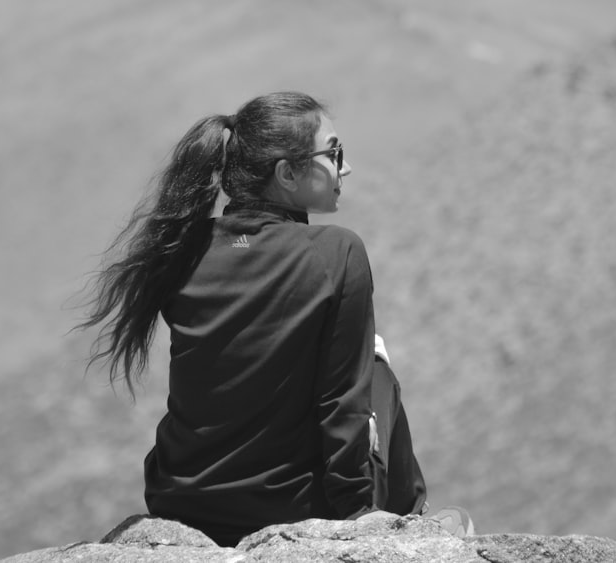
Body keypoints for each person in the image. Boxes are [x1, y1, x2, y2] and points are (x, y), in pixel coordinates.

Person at [78, 91, 437, 547]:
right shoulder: (337, 252)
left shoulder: (182, 251)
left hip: (180, 500)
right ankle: (417, 521)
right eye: (334, 153)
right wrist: (360, 521)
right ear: (287, 173)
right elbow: (340, 403)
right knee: (376, 370)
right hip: (290, 507)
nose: (344, 168)